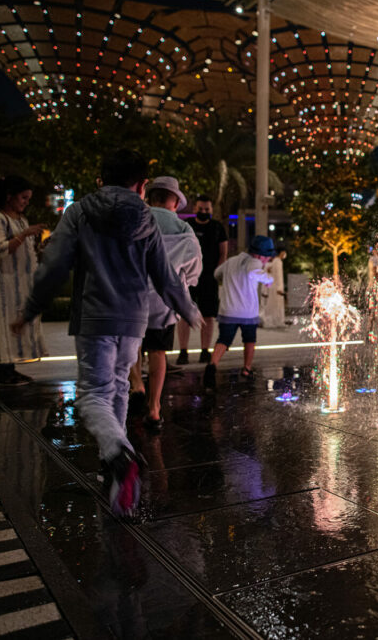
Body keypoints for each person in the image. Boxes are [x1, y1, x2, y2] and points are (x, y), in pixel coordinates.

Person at [12, 150, 202, 518]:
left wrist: (31, 308)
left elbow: (54, 266)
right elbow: (163, 273)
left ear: (102, 179)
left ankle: (118, 455)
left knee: (91, 395)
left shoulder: (80, 212)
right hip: (134, 320)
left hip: (95, 316)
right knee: (115, 388)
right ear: (142, 184)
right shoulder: (145, 215)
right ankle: (115, 476)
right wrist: (188, 309)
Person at [127, 177, 202, 432]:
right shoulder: (182, 229)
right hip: (164, 301)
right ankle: (155, 408)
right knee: (158, 351)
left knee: (133, 345)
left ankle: (136, 383)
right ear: (172, 200)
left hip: (132, 296)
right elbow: (194, 267)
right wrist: (185, 286)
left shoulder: (135, 218)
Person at [0, 176, 47, 384]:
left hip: (19, 281)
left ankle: (8, 367)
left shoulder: (20, 219)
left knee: (13, 321)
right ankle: (0, 369)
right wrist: (26, 233)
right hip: (1, 281)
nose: (26, 202)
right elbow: (0, 249)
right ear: (9, 197)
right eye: (23, 198)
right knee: (1, 322)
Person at [203, 235, 275, 388]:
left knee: (223, 340)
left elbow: (217, 274)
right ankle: (247, 369)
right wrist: (269, 279)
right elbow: (253, 272)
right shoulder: (254, 262)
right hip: (247, 311)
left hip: (228, 310)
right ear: (259, 255)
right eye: (267, 257)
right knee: (249, 340)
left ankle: (212, 365)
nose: (266, 261)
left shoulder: (231, 261)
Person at [177, 194, 227, 365]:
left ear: (211, 210)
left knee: (208, 316)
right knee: (184, 314)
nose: (204, 211)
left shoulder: (217, 227)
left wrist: (217, 274)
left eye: (207, 209)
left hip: (209, 279)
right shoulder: (187, 226)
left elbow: (223, 253)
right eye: (201, 209)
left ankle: (205, 351)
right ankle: (183, 351)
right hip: (188, 278)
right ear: (194, 209)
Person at [260, 249, 287, 329]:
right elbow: (279, 276)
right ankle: (276, 321)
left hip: (272, 287)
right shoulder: (278, 262)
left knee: (272, 305)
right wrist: (279, 288)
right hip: (276, 288)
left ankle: (272, 321)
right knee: (276, 305)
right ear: (281, 253)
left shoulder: (273, 263)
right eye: (284, 253)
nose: (284, 255)